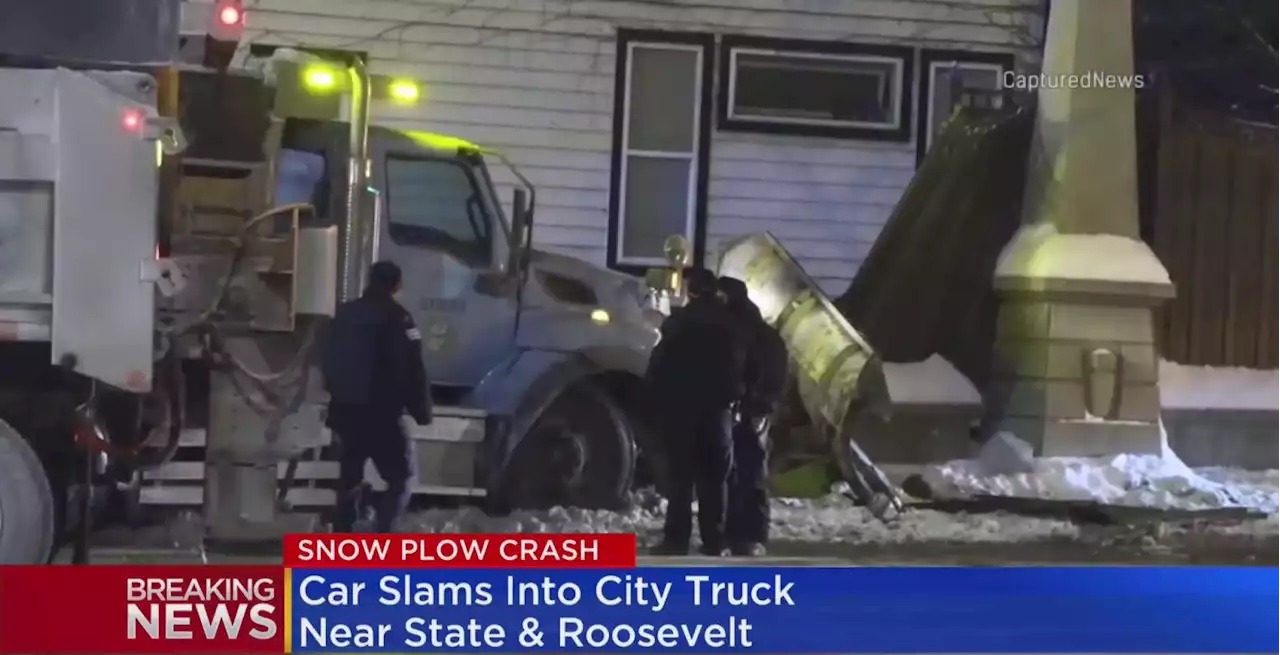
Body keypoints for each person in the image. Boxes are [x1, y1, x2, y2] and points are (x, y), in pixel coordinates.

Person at [322, 260, 432, 533]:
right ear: (396, 286)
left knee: (350, 477)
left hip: (345, 415)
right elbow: (412, 368)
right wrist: (422, 411)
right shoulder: (398, 318)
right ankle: (384, 533)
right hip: (382, 416)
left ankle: (343, 535)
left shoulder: (345, 314)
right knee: (403, 477)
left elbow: (326, 359)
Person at [646, 267, 745, 556]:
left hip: (682, 411)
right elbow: (745, 366)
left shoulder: (679, 323)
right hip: (718, 412)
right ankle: (715, 541)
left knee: (680, 478)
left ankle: (676, 540)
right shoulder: (732, 324)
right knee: (714, 479)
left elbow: (658, 365)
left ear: (690, 290)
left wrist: (657, 400)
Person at [719, 276, 788, 556]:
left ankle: (745, 534)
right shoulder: (763, 333)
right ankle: (749, 534)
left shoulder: (737, 332)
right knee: (749, 474)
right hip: (754, 410)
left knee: (744, 474)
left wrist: (755, 404)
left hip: (748, 411)